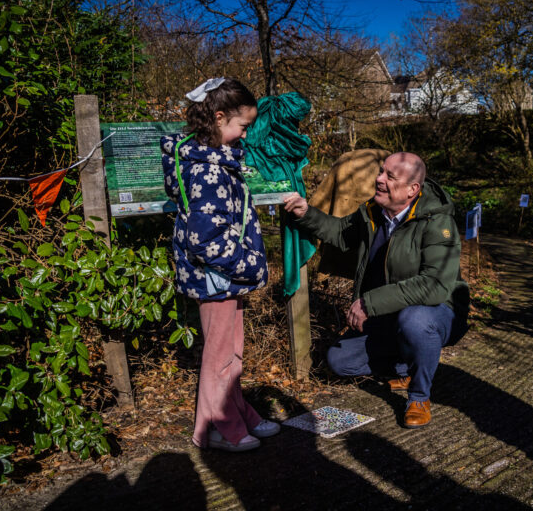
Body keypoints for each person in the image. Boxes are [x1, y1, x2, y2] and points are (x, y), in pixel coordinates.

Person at [283, 152, 469, 428]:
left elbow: (435, 287)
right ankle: (407, 364)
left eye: (389, 177)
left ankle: (418, 395)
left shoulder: (437, 223)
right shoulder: (371, 212)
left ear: (412, 189)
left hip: (437, 312)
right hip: (390, 314)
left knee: (415, 322)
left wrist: (369, 303)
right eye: (381, 172)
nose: (378, 179)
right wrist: (306, 213)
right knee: (339, 360)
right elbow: (339, 232)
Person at [161, 77, 280, 452]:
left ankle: (235, 414)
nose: (245, 135)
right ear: (218, 117)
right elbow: (204, 237)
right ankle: (220, 428)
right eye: (242, 126)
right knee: (220, 359)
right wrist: (246, 264)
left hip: (224, 278)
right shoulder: (208, 170)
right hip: (219, 276)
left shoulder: (213, 161)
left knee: (230, 353)